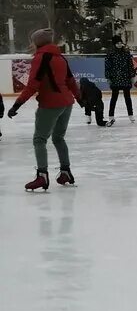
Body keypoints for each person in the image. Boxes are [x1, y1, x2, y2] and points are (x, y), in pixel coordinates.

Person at [7, 28, 80, 191]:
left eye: (33, 41)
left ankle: (42, 176)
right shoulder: (60, 57)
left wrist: (17, 104)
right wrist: (81, 99)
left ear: (37, 42)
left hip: (51, 104)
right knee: (58, 138)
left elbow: (33, 84)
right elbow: (70, 81)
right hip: (67, 103)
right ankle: (66, 172)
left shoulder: (41, 58)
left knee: (39, 139)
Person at [104, 35, 137, 123]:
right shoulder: (111, 53)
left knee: (128, 97)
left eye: (120, 43)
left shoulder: (126, 53)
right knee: (114, 97)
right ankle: (111, 115)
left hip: (125, 77)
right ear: (114, 44)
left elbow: (130, 65)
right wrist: (108, 77)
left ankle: (131, 114)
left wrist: (132, 75)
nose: (119, 45)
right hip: (115, 78)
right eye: (117, 43)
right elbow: (107, 66)